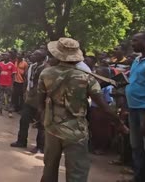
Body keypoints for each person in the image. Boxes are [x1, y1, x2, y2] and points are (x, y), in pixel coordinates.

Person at [38, 38, 127, 182]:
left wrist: (43, 117)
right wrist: (119, 123)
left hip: (52, 128)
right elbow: (103, 106)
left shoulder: (46, 74)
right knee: (77, 173)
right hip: (76, 131)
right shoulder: (87, 77)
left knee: (49, 169)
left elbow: (40, 100)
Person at [125, 31, 145, 182]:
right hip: (133, 109)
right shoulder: (137, 60)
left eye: (136, 40)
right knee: (136, 147)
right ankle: (138, 178)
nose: (132, 44)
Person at [11, 49, 46, 153]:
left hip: (40, 99)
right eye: (34, 53)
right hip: (30, 97)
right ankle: (21, 141)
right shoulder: (33, 66)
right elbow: (27, 80)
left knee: (41, 124)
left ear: (42, 57)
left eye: (36, 54)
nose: (33, 55)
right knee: (24, 120)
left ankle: (40, 146)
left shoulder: (45, 69)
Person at [89, 66, 115, 155]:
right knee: (95, 129)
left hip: (102, 110)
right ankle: (96, 146)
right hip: (94, 108)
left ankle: (102, 148)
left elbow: (108, 101)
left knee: (103, 130)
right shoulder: (96, 84)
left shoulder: (108, 86)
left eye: (98, 74)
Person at [0, 52, 16, 118]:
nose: (4, 56)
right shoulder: (0, 64)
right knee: (0, 97)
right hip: (1, 83)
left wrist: (12, 84)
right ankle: (0, 110)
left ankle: (10, 112)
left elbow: (14, 75)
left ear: (9, 57)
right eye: (4, 55)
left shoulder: (12, 65)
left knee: (9, 98)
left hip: (8, 84)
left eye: (6, 55)